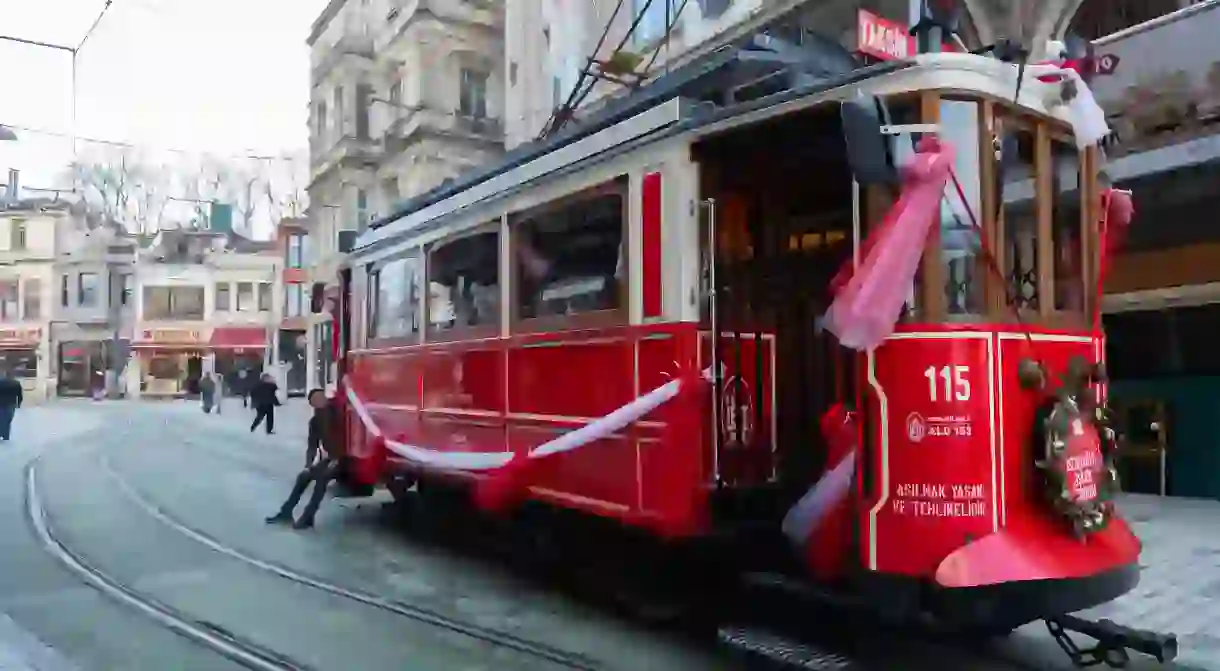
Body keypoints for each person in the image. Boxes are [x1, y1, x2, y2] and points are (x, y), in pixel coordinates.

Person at [265, 389, 345, 529]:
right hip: (331, 458)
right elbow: (312, 445)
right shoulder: (315, 421)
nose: (319, 401)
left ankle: (308, 516)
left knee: (322, 478)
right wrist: (308, 465)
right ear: (312, 404)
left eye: (320, 398)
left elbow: (344, 440)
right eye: (315, 400)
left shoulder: (338, 413)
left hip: (345, 458)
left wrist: (336, 459)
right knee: (303, 477)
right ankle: (286, 513)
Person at [0, 368, 21, 441]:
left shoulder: (0, 382)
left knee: (1, 418)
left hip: (1, 403)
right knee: (8, 419)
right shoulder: (16, 383)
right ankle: (6, 435)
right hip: (11, 404)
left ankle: (1, 432)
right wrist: (19, 404)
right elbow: (19, 395)